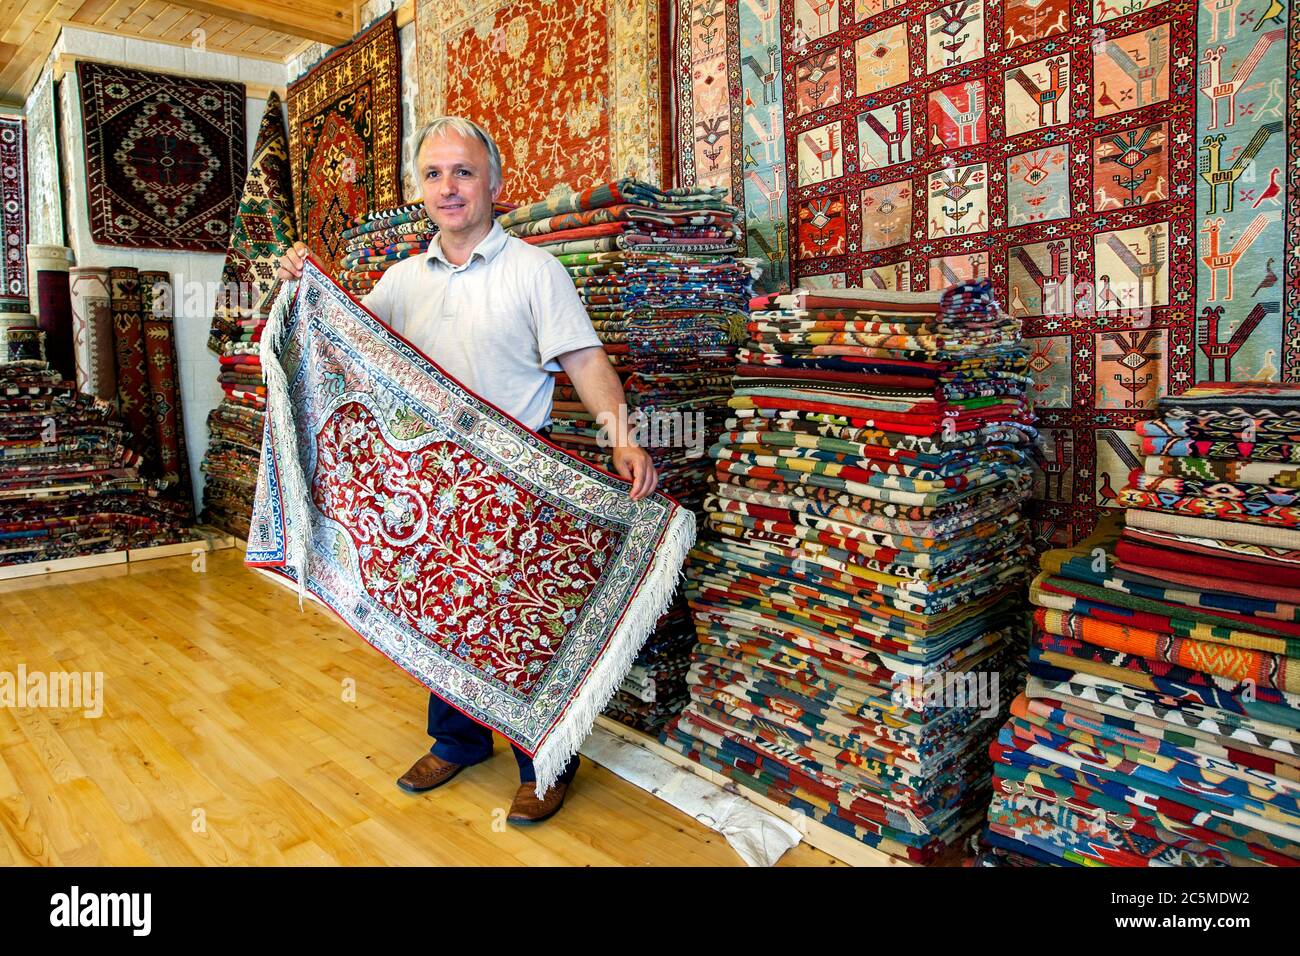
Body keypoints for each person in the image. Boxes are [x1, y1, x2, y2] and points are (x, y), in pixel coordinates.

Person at [278, 116, 657, 825]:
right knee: (441, 616)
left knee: (519, 627)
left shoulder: (535, 272)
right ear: (419, 189)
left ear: (494, 183)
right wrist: (303, 283)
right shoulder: (399, 282)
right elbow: (344, 347)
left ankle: (543, 764)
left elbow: (583, 360)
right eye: (433, 174)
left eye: (463, 172)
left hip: (513, 481)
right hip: (425, 482)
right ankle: (457, 742)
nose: (447, 188)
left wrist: (621, 438)